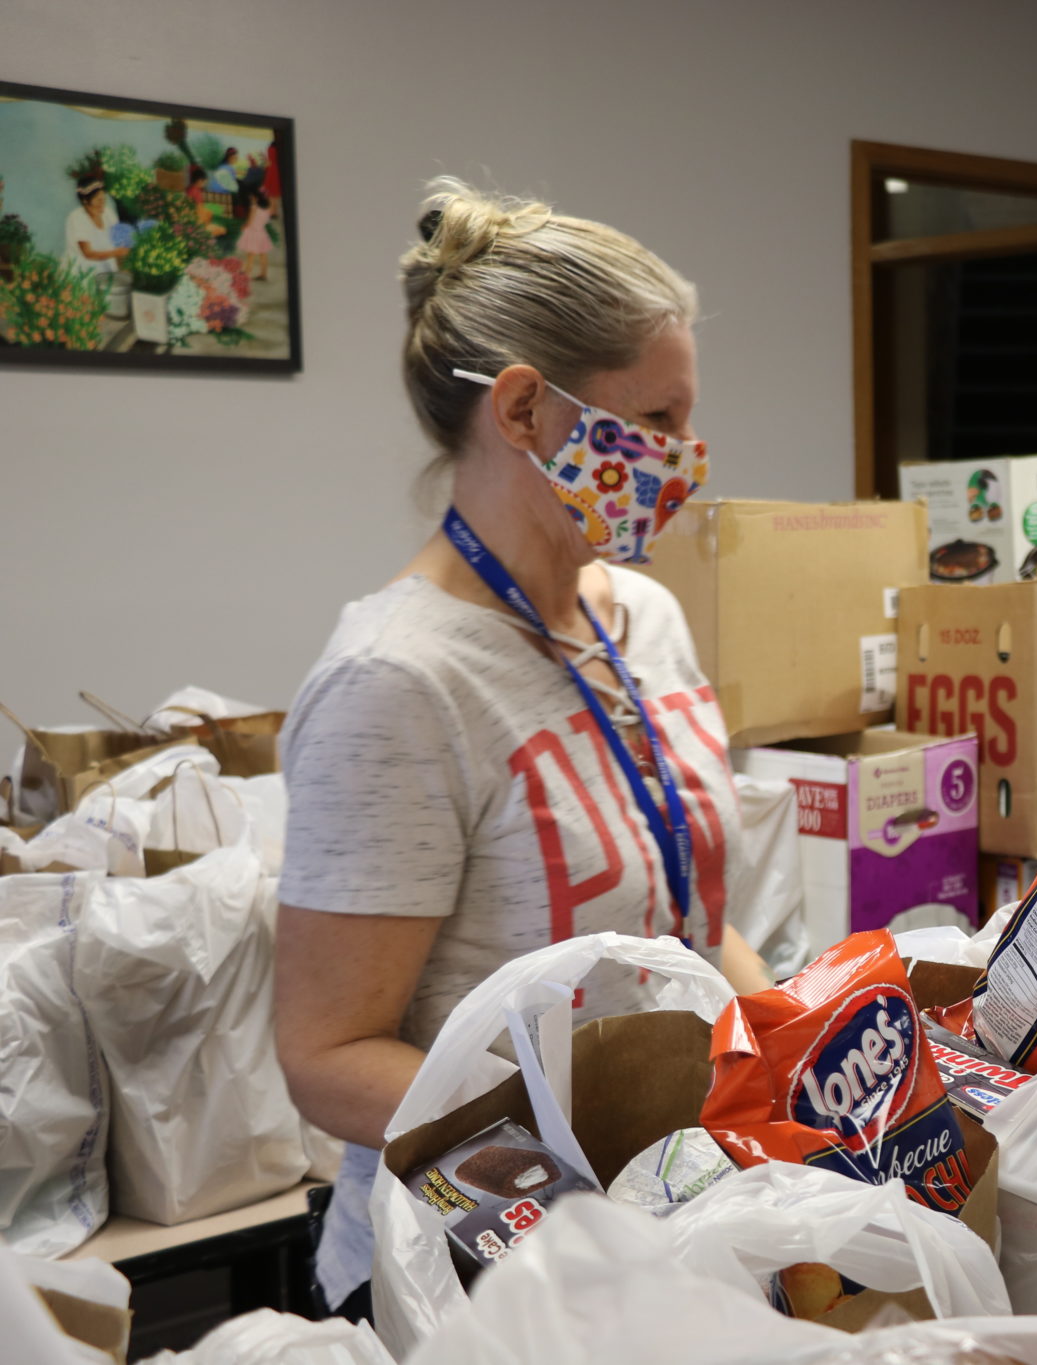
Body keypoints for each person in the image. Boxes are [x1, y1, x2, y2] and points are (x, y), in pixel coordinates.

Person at [273, 178, 770, 1321]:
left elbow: (685, 919)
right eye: (656, 421)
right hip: (475, 1269)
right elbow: (328, 1056)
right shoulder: (396, 683)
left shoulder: (644, 620)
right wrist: (586, 1169)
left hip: (667, 1211)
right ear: (524, 410)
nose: (683, 457)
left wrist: (784, 1049)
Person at [63, 177, 126, 274]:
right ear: (85, 200)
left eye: (103, 199)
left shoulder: (108, 214)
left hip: (106, 269)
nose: (102, 203)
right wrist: (117, 252)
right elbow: (88, 253)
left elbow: (118, 244)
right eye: (98, 199)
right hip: (82, 272)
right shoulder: (77, 218)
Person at [237, 190, 274, 280]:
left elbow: (250, 222)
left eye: (252, 197)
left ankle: (247, 271)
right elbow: (266, 221)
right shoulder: (267, 209)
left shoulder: (254, 207)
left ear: (256, 198)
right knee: (263, 254)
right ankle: (263, 274)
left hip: (253, 232)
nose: (251, 199)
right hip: (262, 232)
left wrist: (243, 227)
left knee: (250, 254)